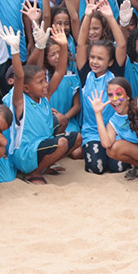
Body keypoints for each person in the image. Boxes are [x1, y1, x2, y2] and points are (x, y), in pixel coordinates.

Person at [9, 19, 81, 184]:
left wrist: (63, 46)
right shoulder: (21, 101)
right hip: (26, 153)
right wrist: (14, 51)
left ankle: (44, 165)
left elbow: (60, 71)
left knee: (77, 138)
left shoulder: (44, 96)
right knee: (62, 143)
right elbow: (20, 76)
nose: (46, 84)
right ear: (26, 88)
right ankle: (33, 173)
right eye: (40, 82)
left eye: (44, 80)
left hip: (42, 144)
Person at [75, 0, 129, 174]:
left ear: (110, 61)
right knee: (96, 168)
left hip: (115, 130)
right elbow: (81, 44)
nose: (94, 62)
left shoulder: (115, 73)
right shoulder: (86, 74)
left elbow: (121, 44)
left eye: (100, 58)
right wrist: (88, 15)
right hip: (92, 132)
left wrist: (111, 18)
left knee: (118, 168)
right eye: (92, 57)